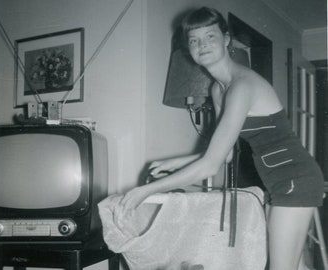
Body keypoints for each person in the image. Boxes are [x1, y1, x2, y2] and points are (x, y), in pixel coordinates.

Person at [120, 7, 324, 270]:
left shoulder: (242, 86)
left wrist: (146, 190)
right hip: (279, 181)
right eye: (194, 40)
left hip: (295, 179)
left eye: (210, 37)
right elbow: (224, 154)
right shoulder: (218, 89)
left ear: (226, 39)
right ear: (188, 49)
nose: (202, 45)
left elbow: (211, 165)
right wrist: (177, 161)